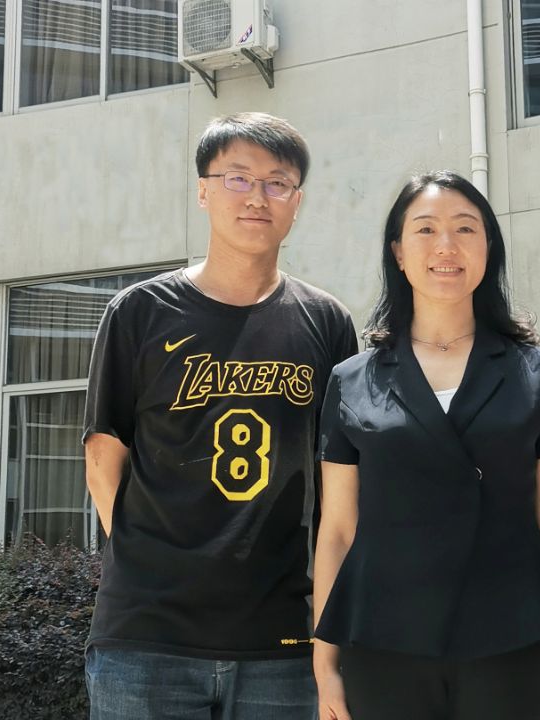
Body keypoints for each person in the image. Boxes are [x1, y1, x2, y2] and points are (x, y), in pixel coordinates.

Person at [83, 112, 357, 720]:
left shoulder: (328, 322)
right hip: (148, 638)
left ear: (297, 202)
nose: (257, 197)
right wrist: (154, 568)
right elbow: (104, 457)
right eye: (237, 178)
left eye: (277, 182)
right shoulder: (139, 312)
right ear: (203, 191)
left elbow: (339, 483)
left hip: (284, 639)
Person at [312, 171, 540, 720]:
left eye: (466, 228)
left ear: (489, 249)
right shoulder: (351, 379)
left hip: (511, 638)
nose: (446, 245)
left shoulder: (538, 372)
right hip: (383, 641)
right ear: (398, 251)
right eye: (425, 229)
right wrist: (325, 664)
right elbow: (339, 528)